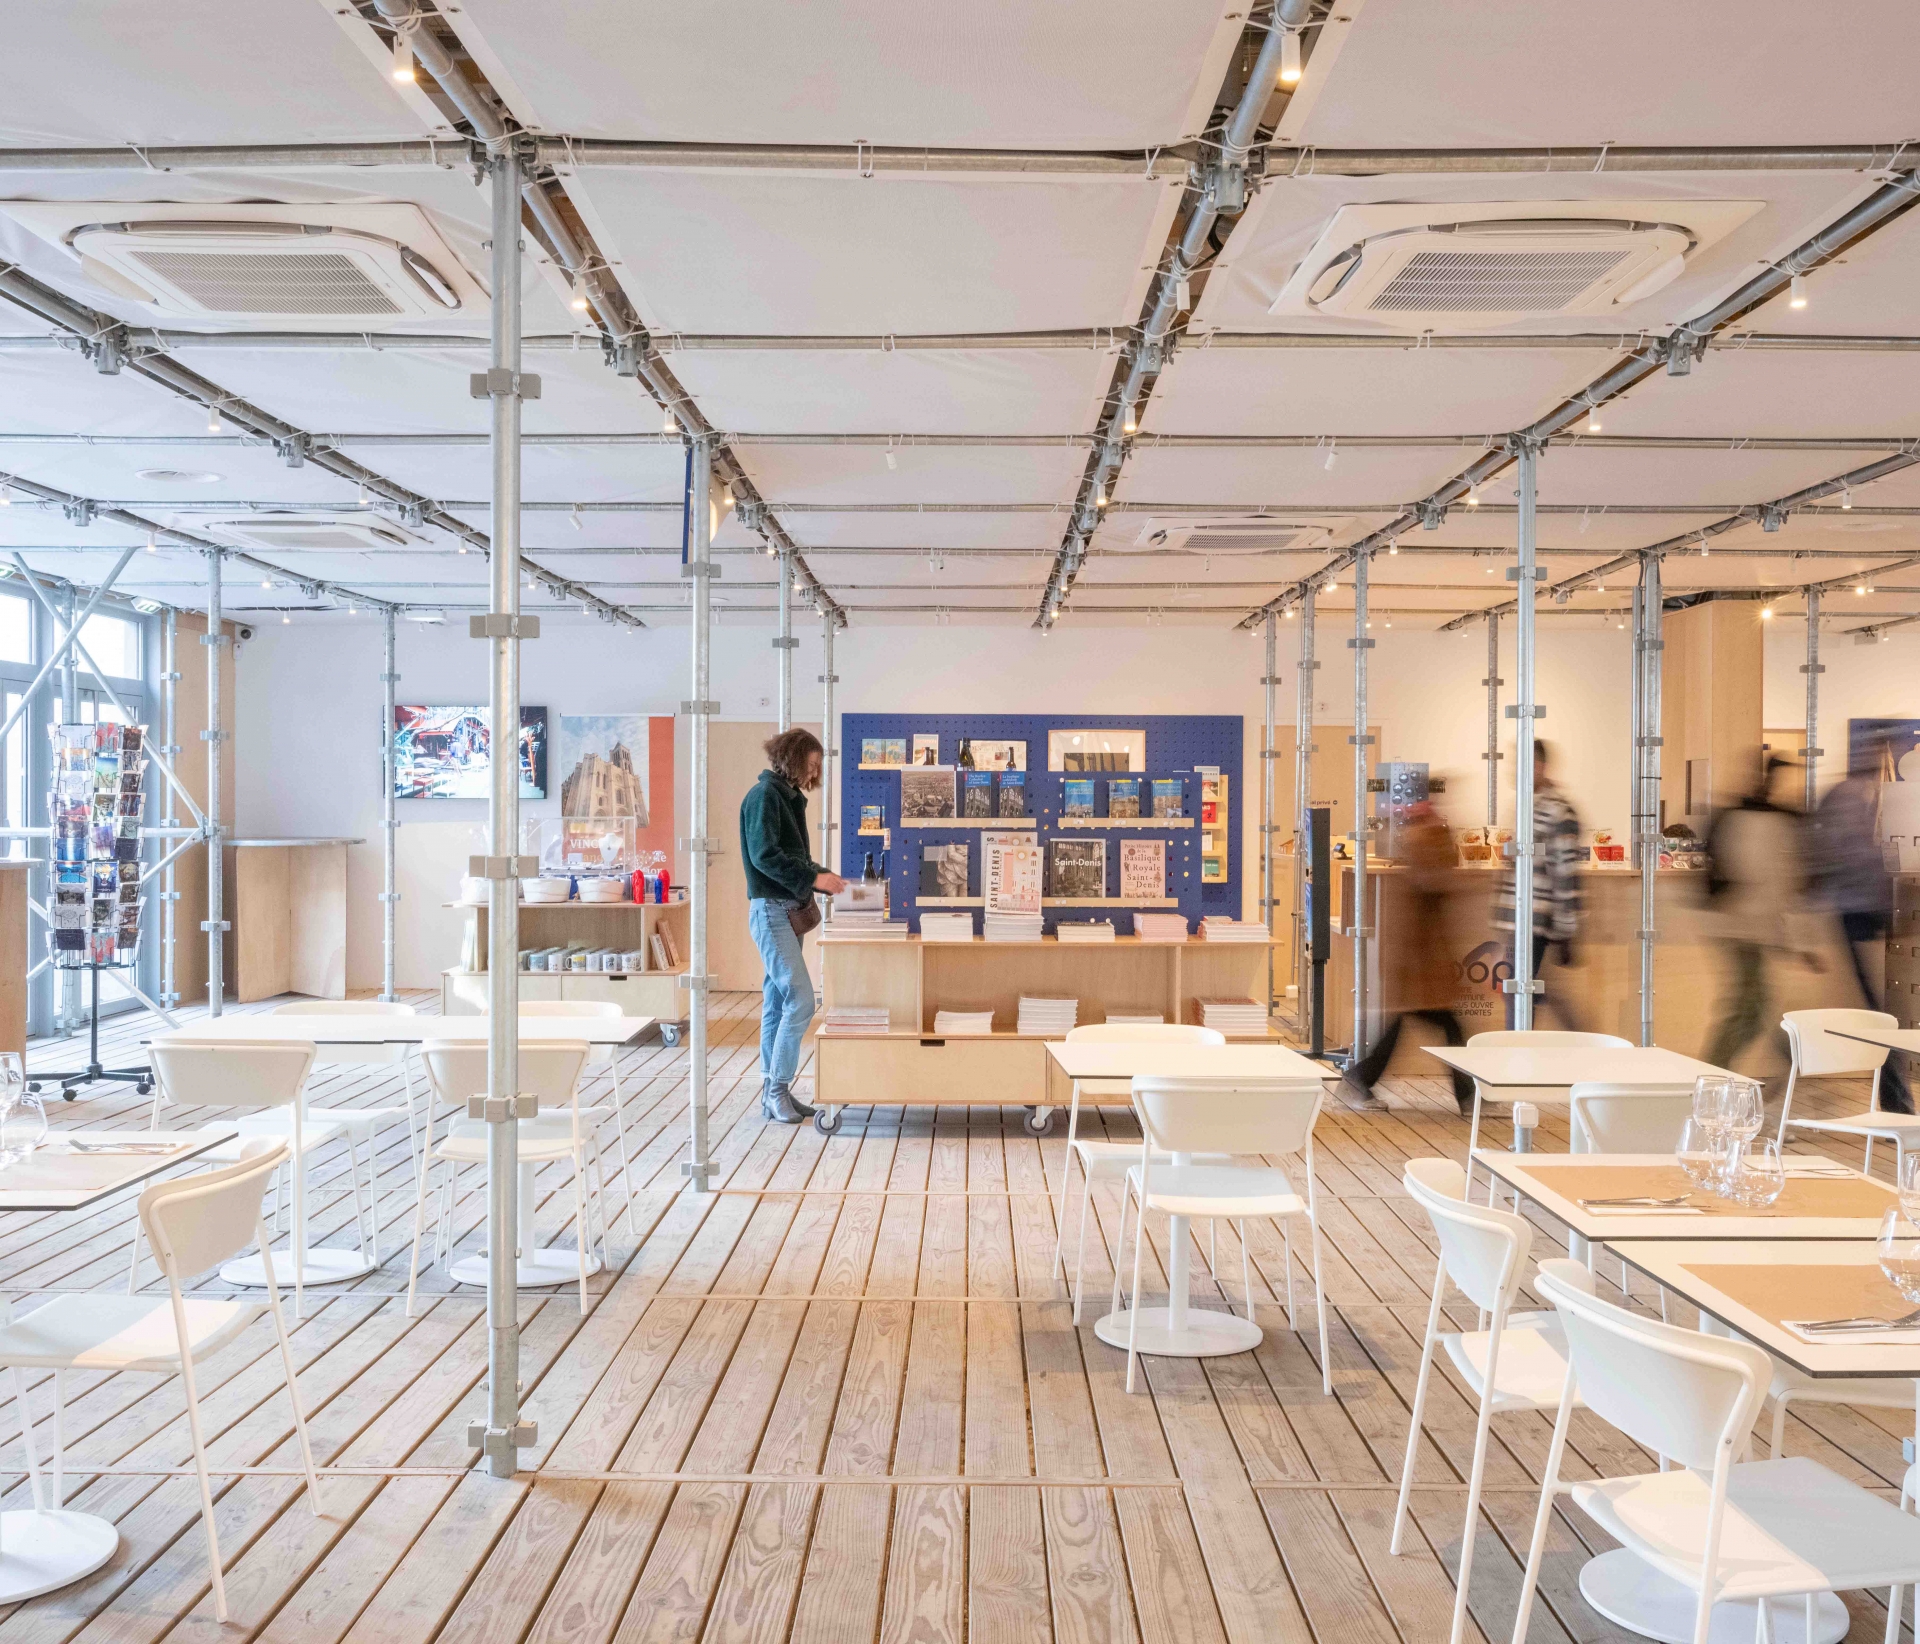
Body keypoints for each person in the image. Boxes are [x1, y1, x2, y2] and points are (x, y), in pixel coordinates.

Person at [739, 728, 846, 1124]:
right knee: (801, 1000)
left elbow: (794, 858)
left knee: (777, 1002)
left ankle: (773, 1090)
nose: (814, 773)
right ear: (794, 759)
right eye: (812, 764)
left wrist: (824, 876)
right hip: (772, 911)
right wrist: (815, 878)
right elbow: (765, 856)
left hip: (784, 912)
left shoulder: (785, 798)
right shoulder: (765, 797)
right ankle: (777, 1089)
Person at [1347, 797, 1476, 1114]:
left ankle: (1361, 1078)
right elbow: (1434, 878)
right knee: (1448, 1027)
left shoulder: (1422, 837)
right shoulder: (1425, 838)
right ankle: (1469, 1097)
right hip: (1423, 960)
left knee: (1419, 1024)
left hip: (1420, 959)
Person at [1702, 758, 1820, 1074]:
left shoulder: (1735, 818)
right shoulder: (1777, 824)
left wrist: (1794, 943)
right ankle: (1711, 1072)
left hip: (1739, 927)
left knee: (1750, 1007)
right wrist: (1797, 944)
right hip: (1746, 929)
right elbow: (1778, 887)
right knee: (1750, 1009)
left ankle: (1714, 1071)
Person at [1811, 755, 1911, 1112]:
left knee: (1880, 1009)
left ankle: (1897, 1101)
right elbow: (1852, 857)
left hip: (1860, 911)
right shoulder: (1852, 796)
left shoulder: (1852, 794)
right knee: (1881, 1012)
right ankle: (1897, 1102)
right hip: (1860, 914)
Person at [1492, 740, 1585, 1029]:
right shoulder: (1527, 807)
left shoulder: (1559, 812)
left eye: (1519, 764)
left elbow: (1565, 871)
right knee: (1527, 992)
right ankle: (1577, 1039)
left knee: (1519, 994)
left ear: (1538, 766)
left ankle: (1521, 1053)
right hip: (1520, 918)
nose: (1513, 771)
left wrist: (1567, 928)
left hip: (1535, 920)